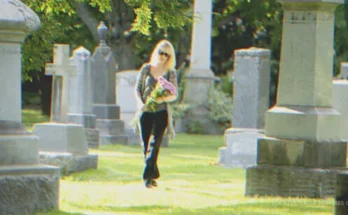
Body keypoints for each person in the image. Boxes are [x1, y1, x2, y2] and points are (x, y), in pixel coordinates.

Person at [135, 40, 178, 188]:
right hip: (145, 111)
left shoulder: (171, 73)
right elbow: (137, 89)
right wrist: (141, 104)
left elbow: (174, 94)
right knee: (145, 145)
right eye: (161, 52)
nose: (163, 57)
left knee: (154, 145)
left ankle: (147, 178)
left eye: (167, 54)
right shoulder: (146, 69)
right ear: (156, 52)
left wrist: (162, 97)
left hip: (161, 113)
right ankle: (153, 175)